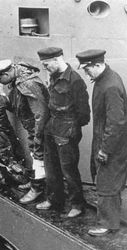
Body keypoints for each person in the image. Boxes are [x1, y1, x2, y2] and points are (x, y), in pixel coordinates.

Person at [76, 49, 127, 236]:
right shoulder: (104, 79)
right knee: (104, 178)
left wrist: (105, 149)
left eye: (87, 69)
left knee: (107, 181)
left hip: (112, 144)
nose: (86, 73)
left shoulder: (110, 85)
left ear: (98, 65)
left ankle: (107, 223)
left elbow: (116, 122)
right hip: (104, 139)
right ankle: (110, 214)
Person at [36, 47, 90, 218]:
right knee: (51, 168)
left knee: (69, 170)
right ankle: (54, 199)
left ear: (57, 59)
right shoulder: (53, 76)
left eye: (46, 64)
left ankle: (77, 204)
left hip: (66, 129)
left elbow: (84, 113)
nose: (45, 68)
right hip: (51, 127)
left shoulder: (75, 80)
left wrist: (71, 128)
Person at [0, 59, 50, 204]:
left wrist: (38, 136)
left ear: (7, 73)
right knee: (35, 155)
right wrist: (1, 93)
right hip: (32, 128)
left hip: (39, 129)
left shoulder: (27, 84)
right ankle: (36, 182)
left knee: (38, 158)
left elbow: (40, 113)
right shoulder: (18, 79)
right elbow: (15, 107)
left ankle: (37, 188)